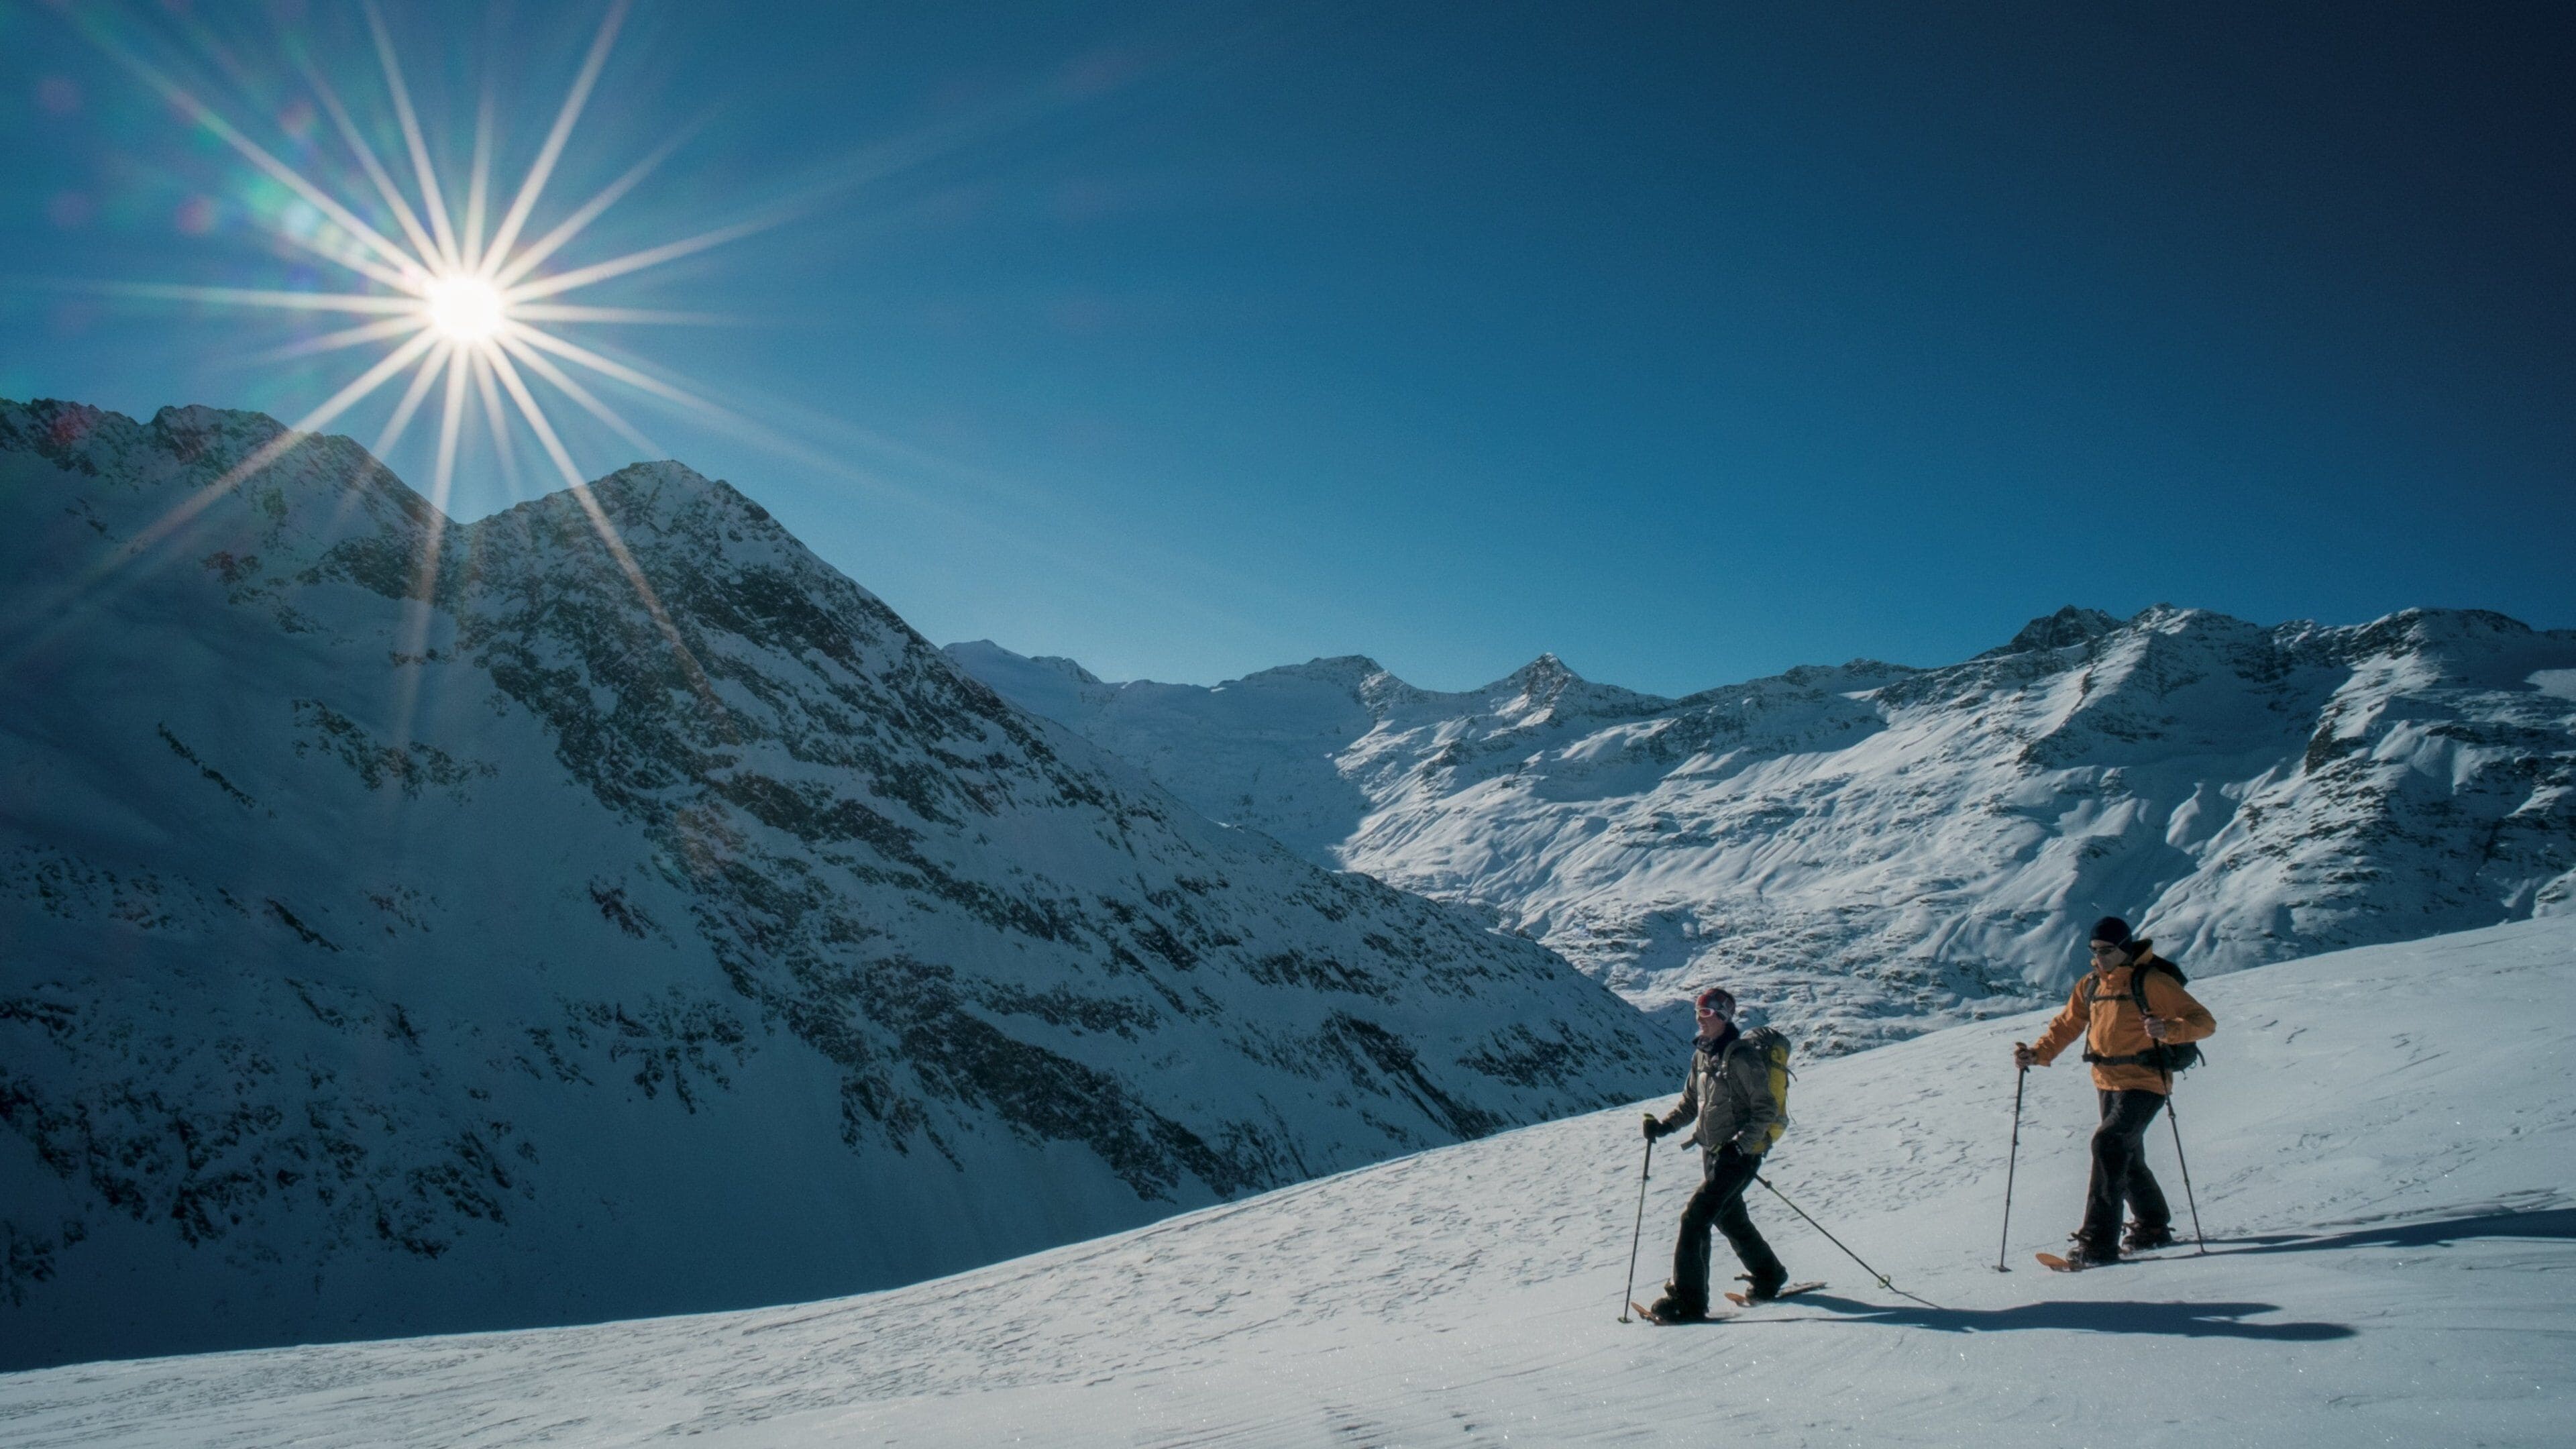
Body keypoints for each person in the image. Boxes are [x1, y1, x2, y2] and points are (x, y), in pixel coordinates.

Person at [2014, 916, 2217, 1266]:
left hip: (2145, 1080)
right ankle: (2152, 1227)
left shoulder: (2151, 982)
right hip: (2106, 1081)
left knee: (2108, 1144)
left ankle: (2098, 1243)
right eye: (2095, 951)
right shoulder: (2092, 984)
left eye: (2107, 951)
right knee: (2126, 1156)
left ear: (2125, 948)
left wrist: (2167, 1029)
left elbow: (2204, 1022)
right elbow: (2068, 1024)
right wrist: (2039, 1053)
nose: (2100, 957)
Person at [1640, 985, 1787, 1322]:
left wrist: (1740, 1145)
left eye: (1707, 1013)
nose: (1700, 1019)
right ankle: (1769, 1275)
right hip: (1714, 1153)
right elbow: (1693, 1103)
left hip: (1740, 1155)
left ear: (1724, 1017)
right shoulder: (1703, 1055)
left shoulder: (1743, 1058)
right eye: (1698, 1012)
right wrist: (1663, 1126)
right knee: (1729, 1217)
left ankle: (1689, 1302)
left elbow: (1764, 1110)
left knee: (1695, 1219)